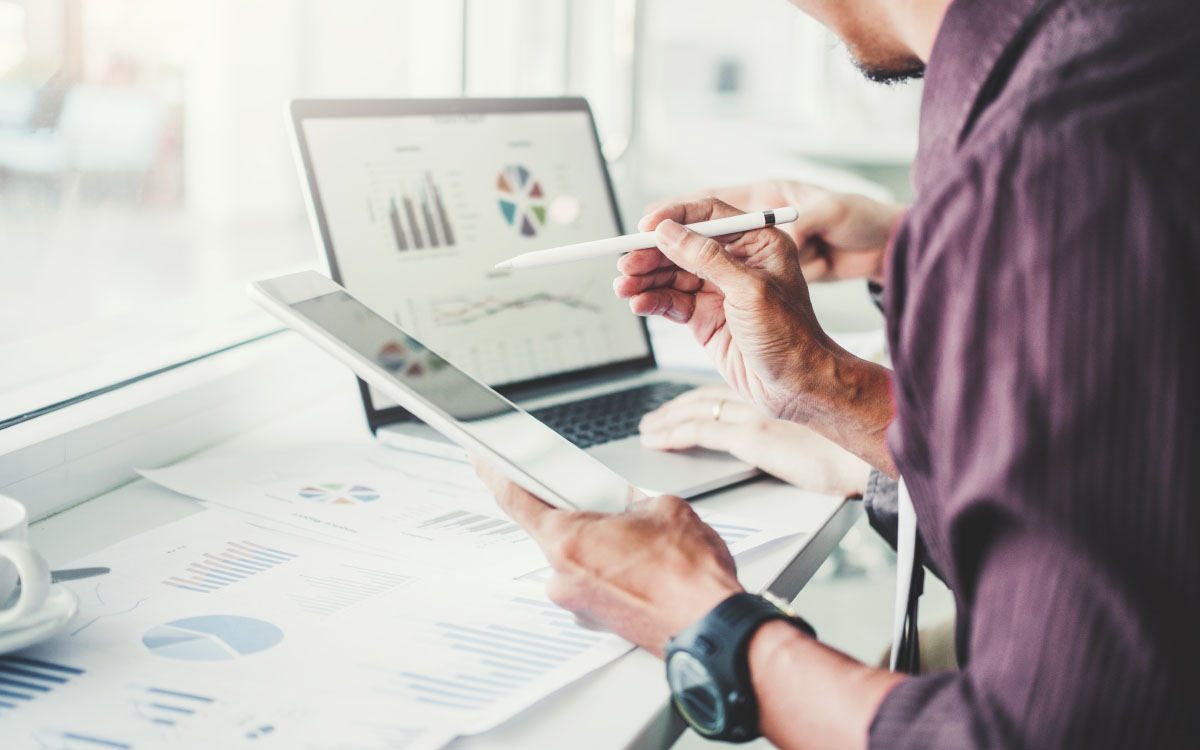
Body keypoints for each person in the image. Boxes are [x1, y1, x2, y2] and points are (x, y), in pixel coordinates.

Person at [474, 0, 1200, 747]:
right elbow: (1142, 491)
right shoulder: (1139, 53)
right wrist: (835, 394)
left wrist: (700, 617)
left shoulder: (1046, 158)